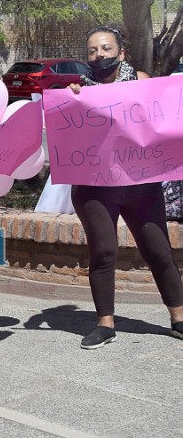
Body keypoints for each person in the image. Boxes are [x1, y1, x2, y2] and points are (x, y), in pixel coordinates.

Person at [68, 26, 183, 349]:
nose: (98, 55)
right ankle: (105, 323)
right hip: (95, 188)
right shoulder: (78, 92)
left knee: (158, 251)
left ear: (121, 53)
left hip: (140, 185)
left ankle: (179, 318)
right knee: (103, 252)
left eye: (105, 49)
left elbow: (168, 123)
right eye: (92, 51)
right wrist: (71, 100)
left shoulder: (144, 83)